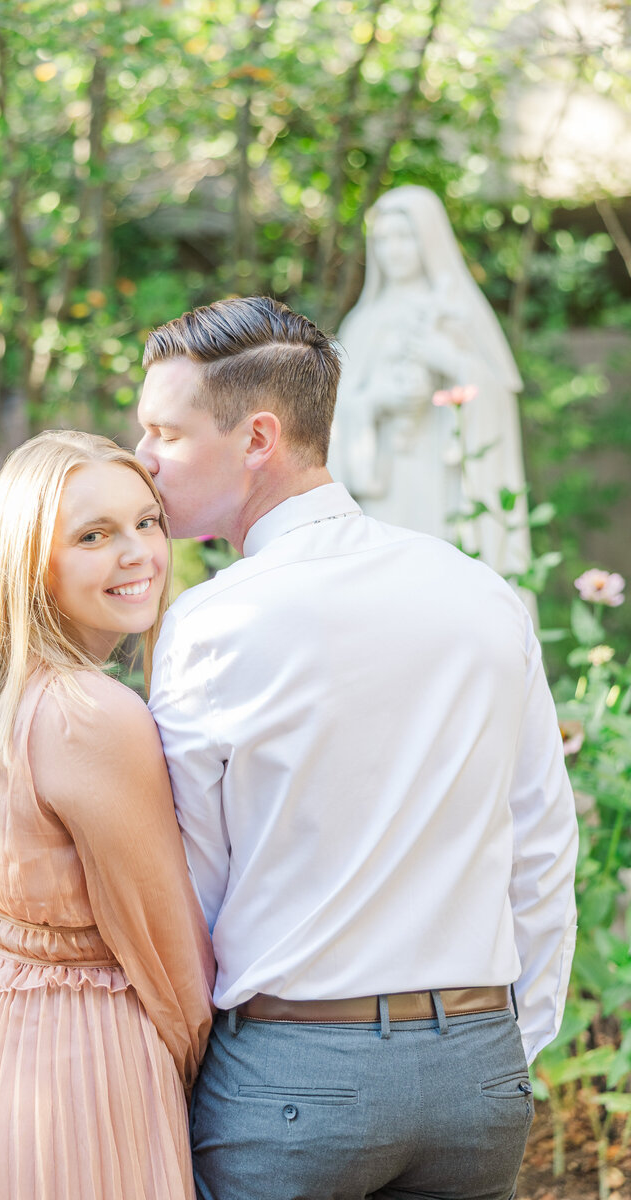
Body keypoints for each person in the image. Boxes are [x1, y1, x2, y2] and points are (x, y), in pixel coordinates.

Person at [135, 296, 578, 1200]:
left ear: (258, 437)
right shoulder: (482, 593)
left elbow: (194, 886)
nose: (142, 461)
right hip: (480, 1073)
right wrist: (510, 1046)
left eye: (165, 435)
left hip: (295, 1074)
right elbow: (542, 843)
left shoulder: (214, 621)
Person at [0, 431, 214, 1200]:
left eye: (147, 522)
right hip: (86, 1063)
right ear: (31, 563)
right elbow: (165, 947)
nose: (139, 552)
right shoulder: (92, 714)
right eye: (94, 535)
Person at [328, 185, 532, 587]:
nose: (393, 251)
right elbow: (333, 412)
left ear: (429, 239)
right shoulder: (363, 321)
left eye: (404, 237)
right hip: (384, 480)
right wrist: (378, 401)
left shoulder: (456, 312)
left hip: (442, 478)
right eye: (382, 240)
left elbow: (497, 398)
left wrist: (450, 360)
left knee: (443, 578)